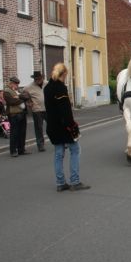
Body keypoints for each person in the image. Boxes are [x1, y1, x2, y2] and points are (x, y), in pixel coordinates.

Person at [44, 63, 90, 191]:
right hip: (64, 127)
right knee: (75, 150)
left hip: (52, 126)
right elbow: (65, 111)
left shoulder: (47, 88)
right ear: (64, 74)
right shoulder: (61, 88)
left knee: (58, 154)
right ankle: (75, 181)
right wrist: (72, 126)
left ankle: (60, 183)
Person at [4, 76, 30, 157]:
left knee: (22, 133)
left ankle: (21, 149)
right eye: (16, 84)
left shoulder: (18, 91)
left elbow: (27, 96)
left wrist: (18, 97)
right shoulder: (6, 91)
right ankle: (13, 151)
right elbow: (12, 102)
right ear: (11, 83)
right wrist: (22, 98)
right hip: (14, 114)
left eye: (17, 84)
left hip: (22, 113)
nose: (17, 86)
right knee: (14, 133)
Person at [24, 71, 47, 152]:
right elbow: (23, 96)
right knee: (38, 128)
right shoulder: (28, 87)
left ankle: (58, 141)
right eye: (36, 79)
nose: (38, 80)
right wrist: (28, 102)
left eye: (39, 79)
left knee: (53, 126)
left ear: (42, 78)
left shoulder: (47, 84)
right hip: (37, 110)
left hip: (48, 109)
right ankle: (40, 145)